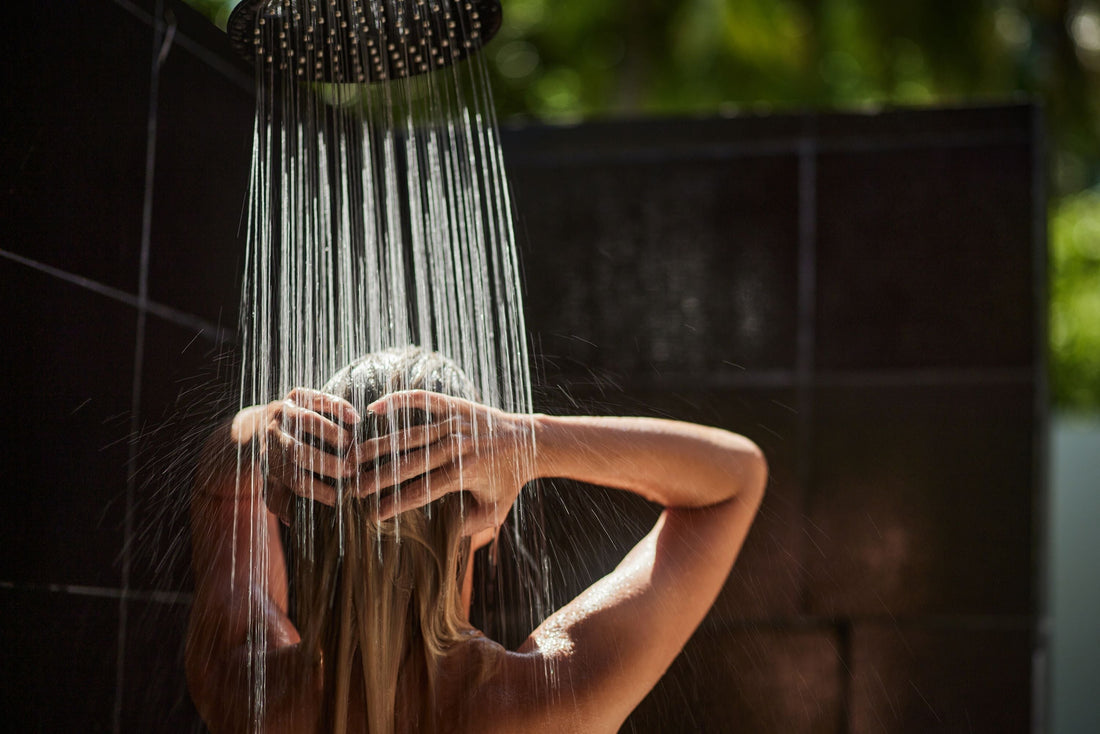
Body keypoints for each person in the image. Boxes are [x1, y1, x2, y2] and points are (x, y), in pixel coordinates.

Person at [186, 347, 767, 734]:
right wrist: (528, 441)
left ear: (302, 505)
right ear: (486, 521)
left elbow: (218, 493)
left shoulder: (250, 691)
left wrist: (261, 433)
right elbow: (735, 478)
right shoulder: (542, 707)